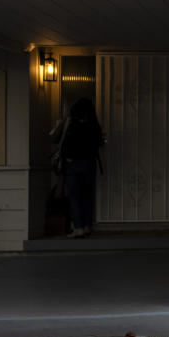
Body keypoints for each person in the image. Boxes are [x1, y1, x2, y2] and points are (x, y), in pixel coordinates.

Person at [52, 98, 103, 238]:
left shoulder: (71, 123)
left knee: (74, 197)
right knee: (87, 196)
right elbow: (99, 142)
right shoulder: (93, 125)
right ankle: (87, 226)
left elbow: (56, 139)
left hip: (72, 165)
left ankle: (78, 227)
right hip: (89, 164)